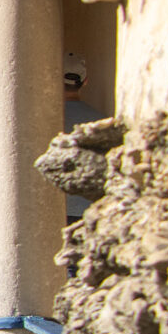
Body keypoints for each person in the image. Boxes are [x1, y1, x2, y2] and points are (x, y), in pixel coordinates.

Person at [64, 51, 104, 219]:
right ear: (85, 81)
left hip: (51, 212)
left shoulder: (41, 120)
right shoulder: (101, 122)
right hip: (90, 212)